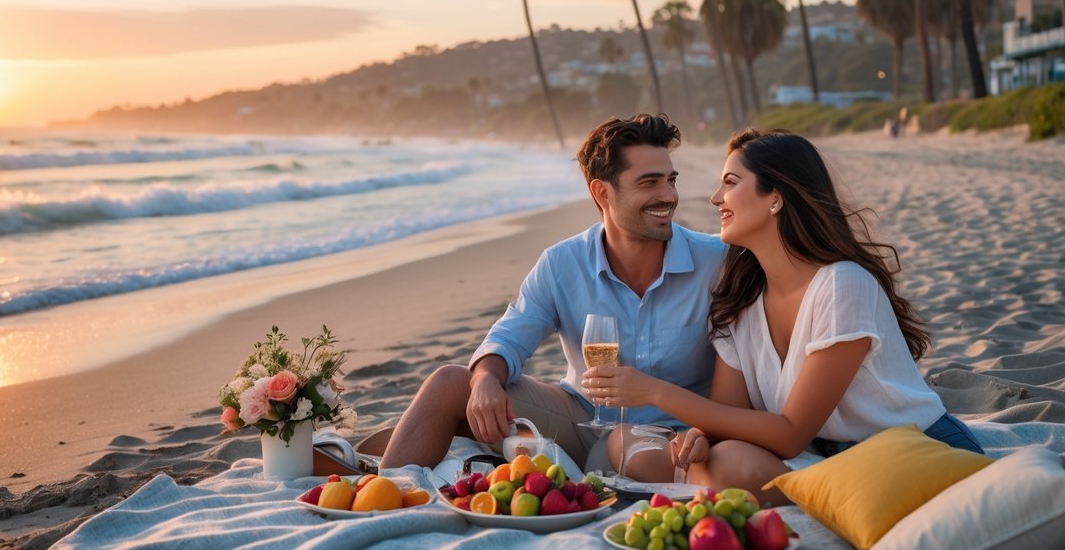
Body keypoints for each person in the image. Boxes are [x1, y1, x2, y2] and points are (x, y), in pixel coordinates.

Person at [588, 128, 983, 504]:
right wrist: (702, 435)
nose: (715, 198)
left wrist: (655, 392)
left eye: (730, 182)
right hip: (826, 459)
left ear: (775, 197)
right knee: (626, 441)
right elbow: (729, 416)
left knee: (731, 466)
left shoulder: (842, 284)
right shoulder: (741, 300)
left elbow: (791, 434)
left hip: (914, 453)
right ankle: (719, 482)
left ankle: (720, 484)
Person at [378, 113, 725, 471]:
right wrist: (484, 379)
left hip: (676, 438)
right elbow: (511, 335)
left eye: (670, 180)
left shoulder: (716, 262)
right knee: (450, 383)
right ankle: (383, 498)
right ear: (601, 192)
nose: (668, 195)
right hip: (582, 419)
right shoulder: (562, 263)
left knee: (637, 457)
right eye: (650, 183)